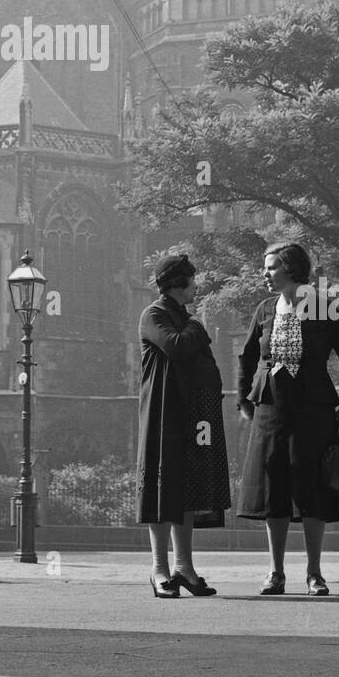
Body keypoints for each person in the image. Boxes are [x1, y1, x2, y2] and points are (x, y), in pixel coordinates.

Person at [236, 241, 339, 596]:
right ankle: (275, 573)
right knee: (273, 490)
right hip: (270, 412)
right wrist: (245, 399)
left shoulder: (325, 309)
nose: (265, 273)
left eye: (272, 267)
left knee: (312, 489)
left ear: (292, 269)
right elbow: (247, 357)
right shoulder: (264, 310)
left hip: (314, 410)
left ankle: (314, 574)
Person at [136, 253, 230, 597]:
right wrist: (197, 326)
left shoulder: (181, 316)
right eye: (192, 280)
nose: (197, 285)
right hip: (165, 413)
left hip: (192, 413)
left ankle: (184, 568)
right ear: (178, 283)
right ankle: (160, 570)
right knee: (162, 491)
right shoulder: (154, 314)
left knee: (186, 491)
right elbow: (175, 347)